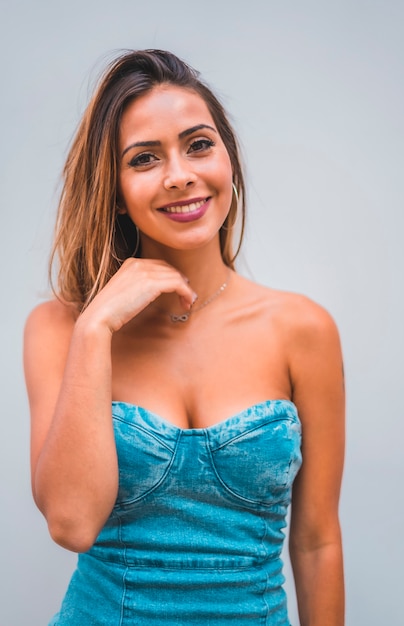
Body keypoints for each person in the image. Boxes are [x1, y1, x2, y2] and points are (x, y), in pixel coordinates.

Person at [24, 49, 345, 625]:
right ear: (115, 190)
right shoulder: (60, 328)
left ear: (228, 160)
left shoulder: (303, 330)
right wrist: (96, 327)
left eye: (199, 144)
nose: (179, 174)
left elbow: (318, 542)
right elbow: (70, 523)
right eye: (144, 158)